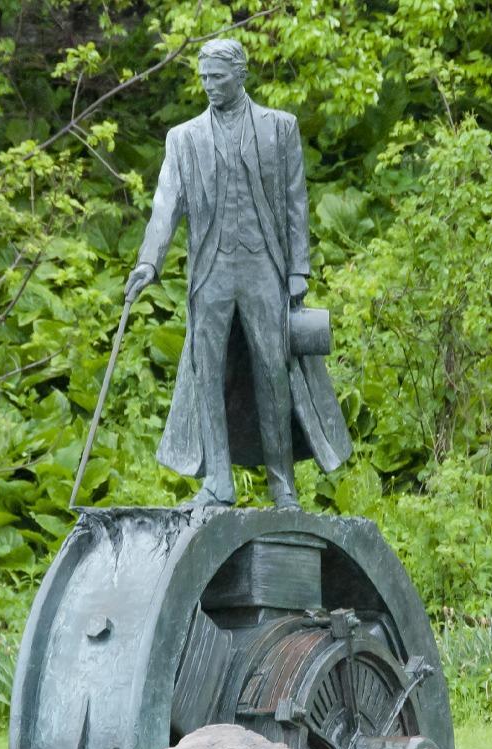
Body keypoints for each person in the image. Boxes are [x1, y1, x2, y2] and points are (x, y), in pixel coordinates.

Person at [125, 39, 351, 508]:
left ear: (240, 74)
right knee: (206, 371)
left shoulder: (279, 128)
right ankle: (218, 482)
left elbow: (295, 204)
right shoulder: (183, 139)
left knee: (274, 371)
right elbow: (165, 207)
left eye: (217, 77)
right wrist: (149, 262)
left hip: (263, 268)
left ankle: (282, 486)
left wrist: (297, 273)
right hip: (210, 272)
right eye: (204, 77)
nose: (209, 85)